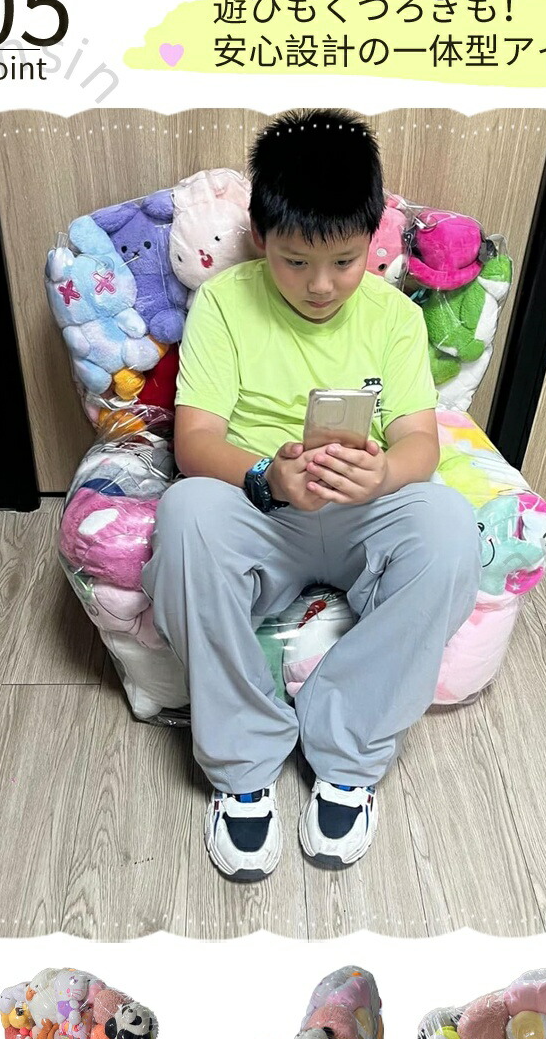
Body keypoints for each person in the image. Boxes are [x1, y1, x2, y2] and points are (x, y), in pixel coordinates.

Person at [143, 109, 481, 881]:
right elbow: (195, 440)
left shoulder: (394, 315)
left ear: (372, 242)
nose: (321, 285)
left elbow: (420, 443)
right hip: (262, 506)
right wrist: (266, 476)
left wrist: (384, 474)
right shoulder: (224, 302)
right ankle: (243, 762)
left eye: (344, 261)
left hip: (364, 508)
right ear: (260, 236)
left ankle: (347, 746)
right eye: (296, 262)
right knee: (186, 513)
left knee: (448, 526)